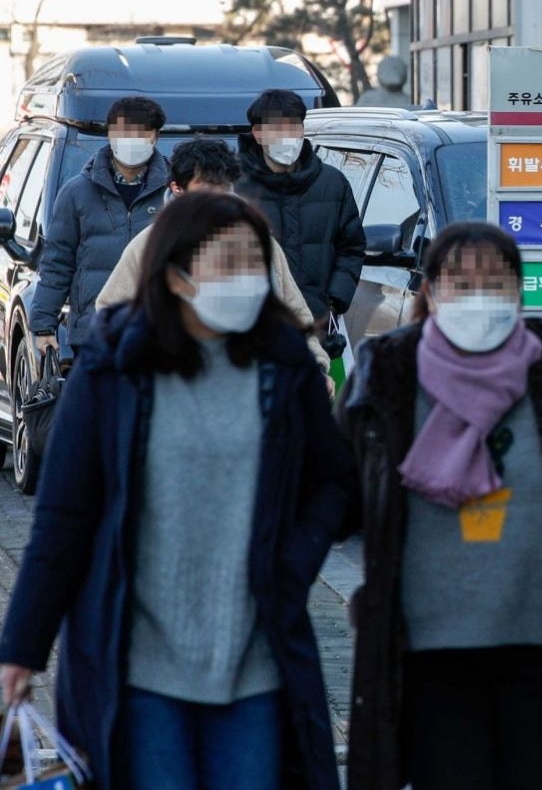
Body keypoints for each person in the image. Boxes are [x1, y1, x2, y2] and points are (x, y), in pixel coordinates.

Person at [0, 191, 356, 790]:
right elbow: (65, 517)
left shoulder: (284, 364)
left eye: (254, 261)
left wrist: (292, 565)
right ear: (176, 274)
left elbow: (334, 485)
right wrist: (22, 646)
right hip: (139, 665)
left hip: (255, 662)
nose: (245, 277)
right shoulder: (114, 368)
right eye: (227, 261)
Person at [336, 221, 542, 790]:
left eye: (494, 282)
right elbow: (336, 500)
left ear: (519, 291)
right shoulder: (384, 379)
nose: (477, 296)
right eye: (459, 282)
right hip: (428, 656)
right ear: (431, 292)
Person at [96, 136, 332, 384]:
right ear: (178, 188)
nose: (218, 198)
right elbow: (110, 315)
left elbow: (293, 314)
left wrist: (315, 366)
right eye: (207, 188)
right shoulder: (149, 246)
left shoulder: (260, 243)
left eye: (224, 187)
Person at [30, 96, 168, 355]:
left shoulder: (172, 193)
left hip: (157, 331)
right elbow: (58, 261)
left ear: (154, 136)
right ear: (110, 134)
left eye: (141, 132)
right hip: (94, 331)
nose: (132, 139)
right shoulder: (76, 192)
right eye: (124, 131)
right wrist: (44, 325)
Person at [236, 89, 366, 325]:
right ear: (257, 134)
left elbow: (351, 247)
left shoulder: (331, 183)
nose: (286, 136)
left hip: (316, 322)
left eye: (293, 126)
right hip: (253, 326)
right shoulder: (235, 186)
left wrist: (334, 300)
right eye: (277, 128)